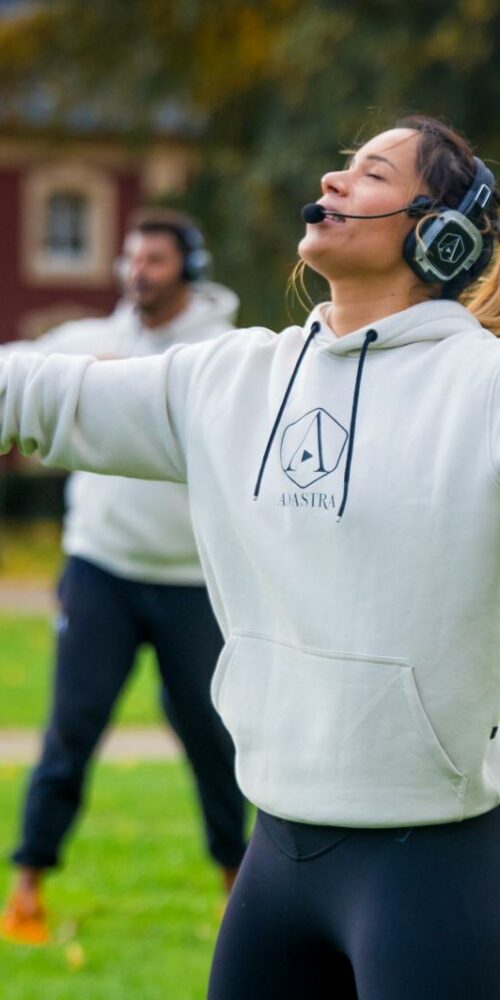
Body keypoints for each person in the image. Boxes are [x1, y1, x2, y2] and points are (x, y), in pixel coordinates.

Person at [0, 115, 500, 997]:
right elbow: (43, 392)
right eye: (342, 166)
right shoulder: (231, 378)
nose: (334, 181)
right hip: (274, 860)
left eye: (372, 174)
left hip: (433, 874)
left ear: (441, 235)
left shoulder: (484, 390)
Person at [0, 210, 247, 947]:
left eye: (155, 261)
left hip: (190, 583)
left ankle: (239, 895)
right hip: (99, 570)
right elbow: (16, 372)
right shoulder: (87, 343)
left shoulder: (222, 355)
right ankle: (26, 893)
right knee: (70, 731)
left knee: (213, 742)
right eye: (131, 259)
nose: (138, 272)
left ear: (189, 270)